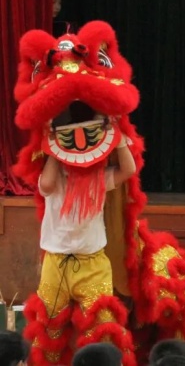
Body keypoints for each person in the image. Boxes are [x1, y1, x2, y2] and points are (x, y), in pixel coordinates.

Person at [29, 133, 136, 364]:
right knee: (49, 332)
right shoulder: (54, 178)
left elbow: (128, 170)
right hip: (56, 264)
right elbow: (45, 185)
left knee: (103, 329)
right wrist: (57, 143)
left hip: (93, 265)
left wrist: (117, 138)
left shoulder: (99, 177)